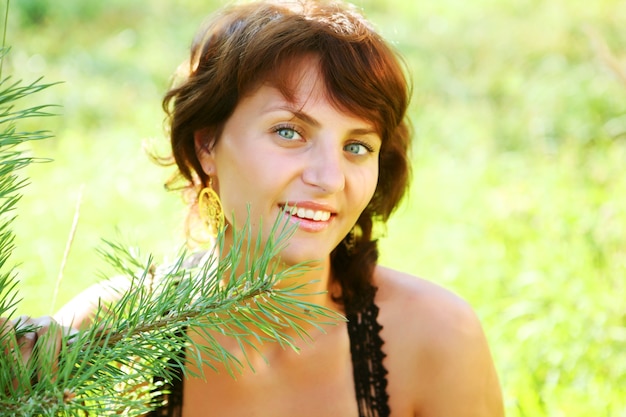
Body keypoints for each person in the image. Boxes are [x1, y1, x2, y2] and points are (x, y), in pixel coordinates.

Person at [4, 0, 505, 416]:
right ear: (207, 143)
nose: (328, 178)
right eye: (289, 132)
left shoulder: (437, 337)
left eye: (357, 146)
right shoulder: (109, 333)